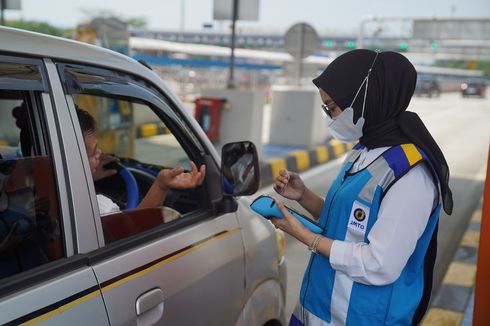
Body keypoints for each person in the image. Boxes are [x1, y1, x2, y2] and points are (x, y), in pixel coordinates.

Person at [270, 49, 453, 325]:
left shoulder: (412, 175)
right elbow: (350, 223)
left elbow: (379, 265)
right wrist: (304, 196)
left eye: (332, 107)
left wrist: (305, 237)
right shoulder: (363, 150)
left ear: (368, 99)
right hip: (314, 310)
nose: (330, 117)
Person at [76, 108, 206, 215]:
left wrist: (88, 175)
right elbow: (133, 230)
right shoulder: (99, 207)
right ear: (74, 164)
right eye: (93, 153)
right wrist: (161, 186)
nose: (100, 152)